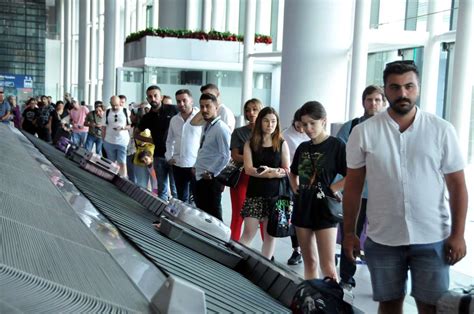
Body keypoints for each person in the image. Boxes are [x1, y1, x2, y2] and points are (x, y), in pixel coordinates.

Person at [343, 61, 468, 314]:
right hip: (383, 237)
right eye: (395, 87)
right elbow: (353, 187)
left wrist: (458, 234)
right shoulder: (364, 132)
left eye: (409, 86)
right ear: (386, 90)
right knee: (389, 305)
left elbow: (457, 186)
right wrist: (348, 233)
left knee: (432, 307)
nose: (402, 93)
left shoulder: (441, 130)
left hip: (433, 236)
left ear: (418, 88)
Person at [289, 101, 346, 280]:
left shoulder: (336, 145)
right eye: (304, 124)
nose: (308, 128)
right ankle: (311, 303)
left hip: (325, 209)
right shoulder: (303, 147)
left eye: (312, 123)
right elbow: (292, 173)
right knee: (310, 263)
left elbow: (351, 174)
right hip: (303, 207)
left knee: (327, 266)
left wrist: (332, 188)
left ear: (323, 121)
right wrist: (296, 189)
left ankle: (332, 305)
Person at [337, 85, 386, 291]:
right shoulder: (352, 127)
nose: (373, 104)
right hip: (355, 193)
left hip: (382, 194)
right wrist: (338, 188)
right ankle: (346, 278)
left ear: (384, 102)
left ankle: (383, 278)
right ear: (363, 102)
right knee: (350, 233)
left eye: (377, 100)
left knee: (382, 238)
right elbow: (339, 159)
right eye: (369, 100)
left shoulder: (392, 128)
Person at [239, 106, 290, 259]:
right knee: (248, 232)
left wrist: (273, 172)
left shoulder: (281, 143)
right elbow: (248, 169)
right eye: (266, 121)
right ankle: (236, 260)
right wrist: (270, 173)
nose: (270, 125)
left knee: (270, 235)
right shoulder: (250, 143)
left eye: (273, 121)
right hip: (255, 193)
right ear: (260, 122)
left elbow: (286, 169)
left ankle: (265, 263)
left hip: (276, 195)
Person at [135, 85, 178, 200]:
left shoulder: (173, 109)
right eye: (150, 97)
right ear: (147, 99)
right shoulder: (147, 117)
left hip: (175, 156)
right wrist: (151, 140)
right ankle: (162, 213)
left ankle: (177, 215)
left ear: (161, 97)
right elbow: (136, 133)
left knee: (175, 189)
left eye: (155, 96)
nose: (153, 99)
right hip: (159, 156)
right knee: (161, 188)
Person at [229, 98, 263, 241]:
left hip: (263, 177)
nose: (251, 113)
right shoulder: (239, 132)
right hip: (242, 176)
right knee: (238, 214)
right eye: (248, 110)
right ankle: (233, 246)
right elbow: (235, 156)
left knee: (263, 215)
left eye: (255, 109)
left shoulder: (269, 132)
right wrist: (253, 159)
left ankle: (268, 254)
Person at [193, 93, 231, 220]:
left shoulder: (221, 128)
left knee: (214, 216)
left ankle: (220, 240)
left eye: (208, 106)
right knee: (203, 214)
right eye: (202, 106)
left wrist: (211, 172)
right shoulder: (207, 125)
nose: (204, 110)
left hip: (210, 179)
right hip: (201, 176)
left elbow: (225, 155)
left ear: (216, 107)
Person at [282, 108, 310, 265]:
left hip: (310, 181)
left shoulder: (310, 133)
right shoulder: (286, 135)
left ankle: (316, 249)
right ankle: (297, 250)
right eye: (300, 123)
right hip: (292, 180)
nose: (303, 127)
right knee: (294, 216)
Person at [165, 89, 201, 203]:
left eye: (184, 100)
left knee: (197, 197)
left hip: (196, 165)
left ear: (191, 100)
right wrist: (169, 157)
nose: (181, 104)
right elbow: (169, 140)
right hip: (178, 164)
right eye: (178, 101)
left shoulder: (201, 117)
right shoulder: (174, 120)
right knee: (182, 198)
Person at [103, 95, 132, 177]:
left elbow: (131, 125)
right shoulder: (107, 112)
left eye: (116, 105)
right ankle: (111, 177)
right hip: (109, 141)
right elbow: (103, 127)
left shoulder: (126, 111)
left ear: (120, 103)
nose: (115, 107)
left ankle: (123, 179)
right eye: (112, 105)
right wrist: (103, 141)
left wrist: (123, 128)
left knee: (122, 162)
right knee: (111, 162)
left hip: (123, 142)